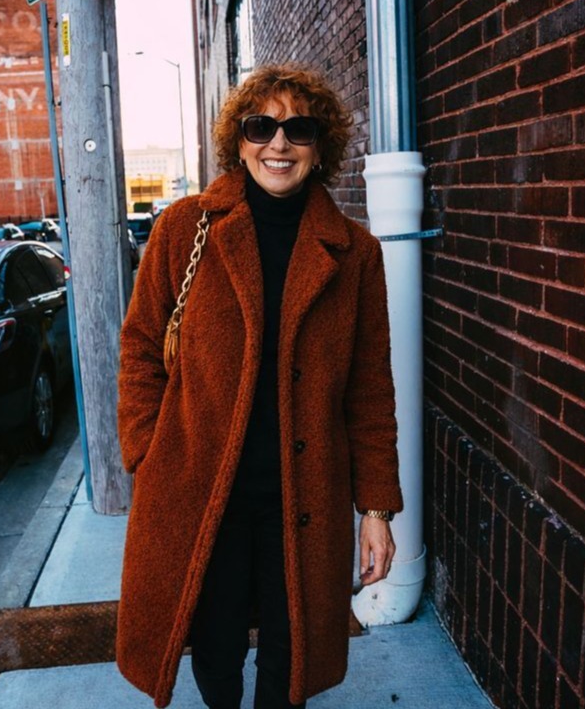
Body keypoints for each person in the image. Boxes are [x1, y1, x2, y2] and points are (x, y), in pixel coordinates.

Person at [117, 63, 402, 709]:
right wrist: (147, 454)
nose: (279, 144)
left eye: (297, 129)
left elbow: (369, 390)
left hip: (304, 497)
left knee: (292, 654)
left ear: (319, 146)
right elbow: (140, 350)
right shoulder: (184, 229)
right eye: (261, 127)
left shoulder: (355, 254)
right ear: (238, 142)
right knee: (214, 646)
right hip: (201, 490)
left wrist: (376, 510)